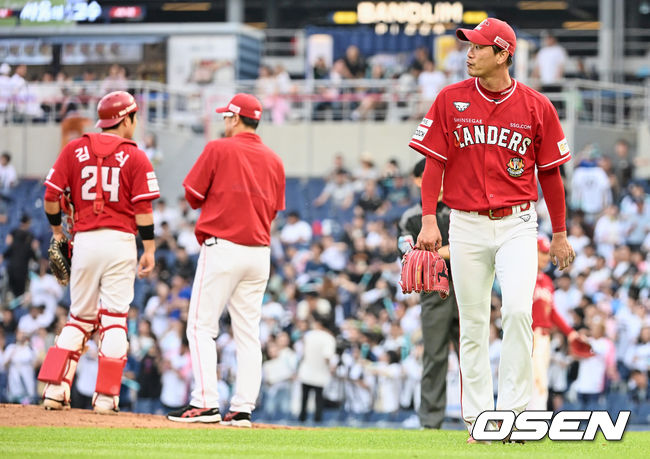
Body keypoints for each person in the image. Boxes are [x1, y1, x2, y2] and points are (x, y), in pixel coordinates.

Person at [408, 18, 575, 443]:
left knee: (518, 311)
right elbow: (433, 165)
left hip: (518, 222)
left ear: (503, 54)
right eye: (469, 45)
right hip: (463, 224)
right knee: (474, 324)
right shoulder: (450, 99)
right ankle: (481, 422)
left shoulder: (537, 106)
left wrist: (559, 233)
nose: (469, 52)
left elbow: (552, 176)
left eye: (479, 46)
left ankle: (516, 416)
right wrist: (430, 218)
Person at [167, 93, 285, 427]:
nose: (223, 121)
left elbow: (192, 195)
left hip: (223, 247)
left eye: (226, 117)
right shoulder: (275, 160)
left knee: (201, 326)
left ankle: (205, 403)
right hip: (259, 252)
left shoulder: (219, 148)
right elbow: (274, 209)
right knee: (248, 332)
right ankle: (243, 408)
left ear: (234, 118)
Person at [37, 91, 160, 413]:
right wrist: (149, 249)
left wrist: (56, 232)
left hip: (85, 241)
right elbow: (144, 210)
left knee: (79, 318)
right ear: (126, 119)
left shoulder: (74, 148)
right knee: (115, 320)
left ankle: (53, 390)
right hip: (120, 242)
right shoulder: (136, 156)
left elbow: (51, 195)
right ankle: (106, 398)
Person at [397, 158, 459, 429]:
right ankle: (430, 420)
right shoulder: (412, 217)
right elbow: (409, 255)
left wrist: (434, 253)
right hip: (434, 288)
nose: (438, 182)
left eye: (441, 176)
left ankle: (480, 416)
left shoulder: (462, 208)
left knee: (472, 352)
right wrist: (451, 251)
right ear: (418, 181)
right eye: (431, 177)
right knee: (434, 355)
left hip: (468, 283)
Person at [529, 235, 582, 410]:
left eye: (547, 253)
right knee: (528, 378)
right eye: (542, 253)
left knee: (540, 378)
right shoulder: (523, 276)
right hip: (528, 335)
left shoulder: (547, 281)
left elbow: (552, 312)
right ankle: (523, 419)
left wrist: (570, 332)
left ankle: (535, 419)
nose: (545, 257)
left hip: (544, 337)